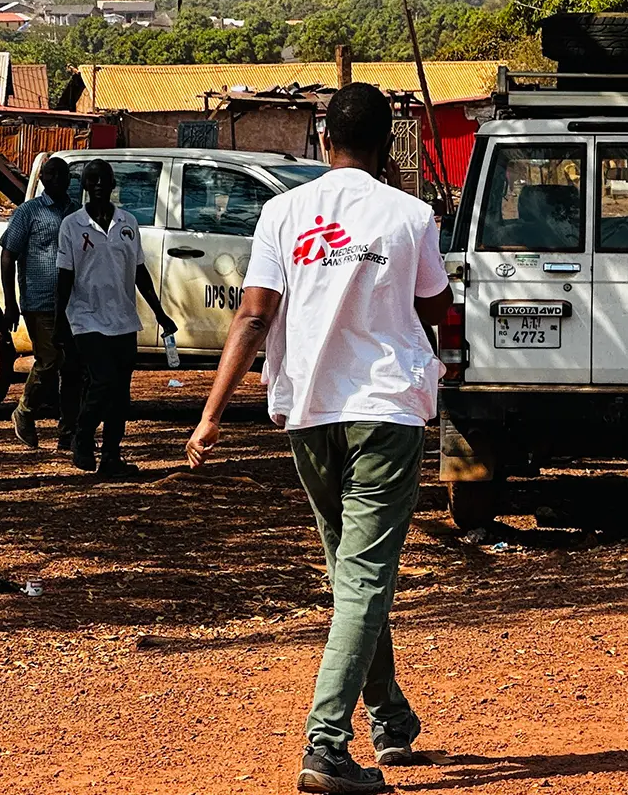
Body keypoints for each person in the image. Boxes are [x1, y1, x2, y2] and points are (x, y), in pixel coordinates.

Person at [186, 84, 451, 795]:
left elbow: (252, 317)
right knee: (362, 578)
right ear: (388, 142)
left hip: (308, 411)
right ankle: (326, 746)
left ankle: (390, 720)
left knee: (351, 576)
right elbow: (437, 306)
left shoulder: (282, 211)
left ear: (322, 137)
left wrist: (212, 413)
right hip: (385, 411)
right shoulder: (410, 214)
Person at [56, 160, 176, 477]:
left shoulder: (127, 223)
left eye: (103, 179)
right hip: (86, 318)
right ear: (83, 185)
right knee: (102, 381)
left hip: (124, 320)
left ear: (113, 185)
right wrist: (60, 323)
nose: (97, 184)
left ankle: (111, 455)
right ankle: (82, 435)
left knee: (121, 394)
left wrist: (160, 313)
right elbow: (64, 278)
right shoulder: (72, 225)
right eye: (91, 179)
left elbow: (139, 272)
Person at [0, 156, 75, 450]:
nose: (57, 179)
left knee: (72, 369)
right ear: (43, 179)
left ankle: (68, 434)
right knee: (50, 359)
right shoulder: (28, 212)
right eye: (52, 174)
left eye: (63, 174)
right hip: (38, 301)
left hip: (71, 303)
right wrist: (10, 302)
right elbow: (8, 255)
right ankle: (24, 411)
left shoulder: (76, 213)